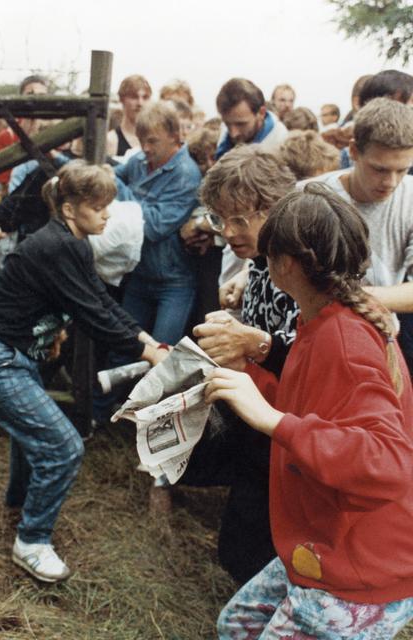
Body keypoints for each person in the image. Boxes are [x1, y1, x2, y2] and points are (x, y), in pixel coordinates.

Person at [211, 184, 413, 639]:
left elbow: (387, 460)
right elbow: (313, 405)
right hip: (327, 538)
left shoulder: (346, 339)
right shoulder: (322, 319)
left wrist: (271, 419)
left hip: (363, 564)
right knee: (237, 625)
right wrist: (247, 374)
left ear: (286, 265)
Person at [0, 161, 166, 583]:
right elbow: (92, 314)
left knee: (30, 435)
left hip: (13, 355)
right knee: (63, 447)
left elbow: (100, 301)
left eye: (108, 205)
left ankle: (18, 507)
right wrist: (145, 351)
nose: (107, 214)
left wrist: (145, 337)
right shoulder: (56, 245)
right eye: (98, 207)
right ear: (70, 210)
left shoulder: (71, 244)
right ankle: (32, 541)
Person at [183, 147, 298, 584]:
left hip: (293, 434)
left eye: (238, 220)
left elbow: (318, 360)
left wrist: (254, 344)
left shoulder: (307, 264)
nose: (227, 233)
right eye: (218, 220)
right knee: (238, 547)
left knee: (263, 548)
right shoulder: (259, 263)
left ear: (272, 209)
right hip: (260, 425)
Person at [302, 98, 413, 372]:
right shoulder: (310, 195)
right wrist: (246, 273)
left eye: (402, 169)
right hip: (312, 340)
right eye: (379, 169)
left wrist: (355, 296)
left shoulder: (411, 199)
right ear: (353, 150)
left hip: (379, 343)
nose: (391, 182)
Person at [114, 100, 201, 345]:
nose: (145, 148)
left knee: (162, 355)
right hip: (139, 275)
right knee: (125, 349)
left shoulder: (186, 174)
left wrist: (121, 195)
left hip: (173, 282)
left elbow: (153, 227)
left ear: (175, 136)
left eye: (153, 141)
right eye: (141, 141)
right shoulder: (139, 161)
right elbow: (111, 176)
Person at [215, 78, 288, 160]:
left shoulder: (281, 143)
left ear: (261, 113)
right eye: (227, 124)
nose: (233, 134)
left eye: (241, 124)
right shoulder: (226, 127)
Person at [107, 74, 152, 158]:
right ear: (122, 99)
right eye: (134, 97)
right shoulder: (111, 140)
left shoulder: (156, 140)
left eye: (145, 97)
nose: (140, 103)